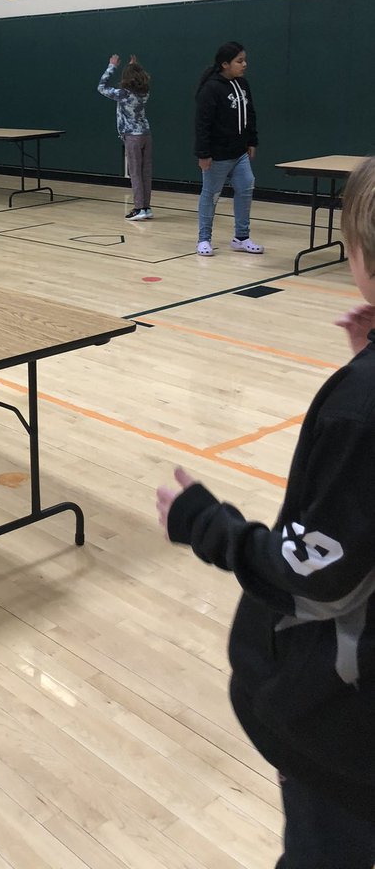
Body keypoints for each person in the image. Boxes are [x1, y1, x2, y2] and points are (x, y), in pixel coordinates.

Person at [156, 157, 375, 869]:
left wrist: (202, 522)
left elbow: (320, 578)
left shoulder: (359, 409)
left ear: (358, 256)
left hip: (347, 734)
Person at [194, 41, 263, 256]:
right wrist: (203, 153)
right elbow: (202, 123)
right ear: (225, 64)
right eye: (239, 61)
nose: (244, 64)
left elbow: (250, 113)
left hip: (239, 152)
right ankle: (204, 239)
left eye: (244, 60)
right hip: (217, 155)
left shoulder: (243, 84)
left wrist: (252, 141)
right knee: (211, 194)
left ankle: (241, 237)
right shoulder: (211, 88)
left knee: (245, 189)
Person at [97, 53, 152, 220]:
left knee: (135, 173)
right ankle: (146, 207)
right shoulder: (145, 92)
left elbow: (101, 86)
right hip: (146, 134)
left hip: (132, 136)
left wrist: (112, 66)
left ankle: (138, 208)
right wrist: (133, 66)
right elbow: (137, 76)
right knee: (146, 173)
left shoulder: (123, 94)